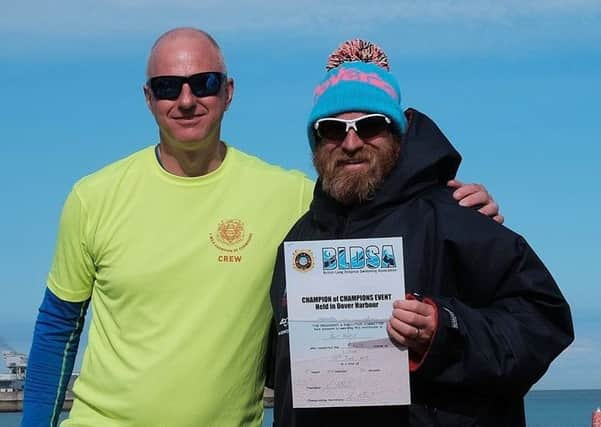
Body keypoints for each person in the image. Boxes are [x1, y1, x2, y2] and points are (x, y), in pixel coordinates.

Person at [22, 30, 503, 427]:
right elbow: (57, 330)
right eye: (168, 86)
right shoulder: (93, 196)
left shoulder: (293, 197)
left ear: (228, 92)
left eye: (203, 82)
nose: (186, 100)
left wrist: (461, 206)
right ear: (149, 98)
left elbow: (384, 201)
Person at [268, 39, 574, 427]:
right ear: (316, 142)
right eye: (332, 129)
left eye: (370, 125)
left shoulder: (457, 215)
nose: (350, 142)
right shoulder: (298, 243)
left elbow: (544, 322)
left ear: (397, 133)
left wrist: (442, 329)